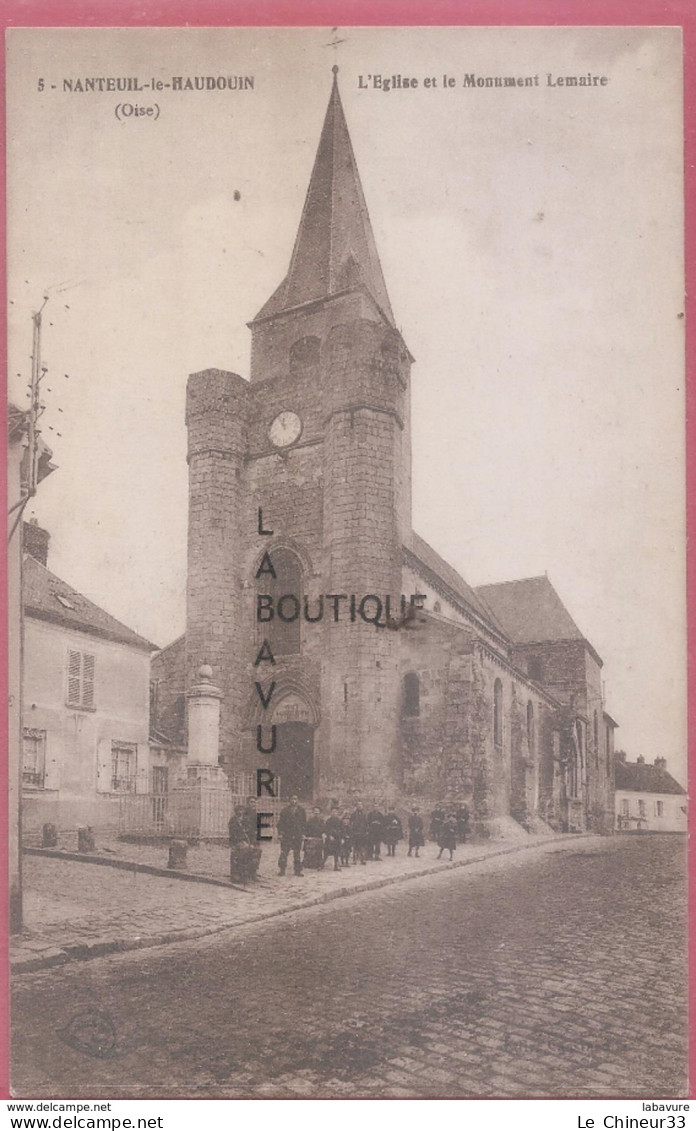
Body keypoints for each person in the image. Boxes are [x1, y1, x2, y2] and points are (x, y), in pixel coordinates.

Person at [228, 804, 262, 883]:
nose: (240, 812)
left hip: (247, 842)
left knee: (257, 850)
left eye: (242, 810)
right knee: (245, 850)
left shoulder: (246, 820)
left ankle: (252, 872)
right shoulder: (233, 821)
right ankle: (240, 874)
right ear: (236, 811)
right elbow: (233, 834)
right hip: (237, 842)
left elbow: (251, 833)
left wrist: (253, 842)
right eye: (239, 810)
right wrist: (242, 841)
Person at [277, 794, 307, 876]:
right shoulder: (285, 810)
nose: (294, 801)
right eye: (292, 799)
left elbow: (304, 823)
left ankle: (297, 871)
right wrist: (280, 834)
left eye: (295, 799)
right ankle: (282, 870)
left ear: (298, 800)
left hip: (297, 835)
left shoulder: (301, 811)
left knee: (297, 853)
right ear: (289, 800)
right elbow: (280, 823)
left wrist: (303, 834)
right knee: (284, 853)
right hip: (287, 835)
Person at [303, 805, 326, 870]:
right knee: (309, 849)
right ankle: (308, 863)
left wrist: (323, 834)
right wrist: (306, 835)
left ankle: (318, 863)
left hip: (318, 837)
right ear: (313, 812)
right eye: (315, 811)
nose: (316, 813)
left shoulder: (321, 821)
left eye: (317, 811)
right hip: (311, 837)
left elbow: (324, 829)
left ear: (319, 812)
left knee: (318, 850)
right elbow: (306, 829)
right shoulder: (310, 821)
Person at [324, 806, 343, 871]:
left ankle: (336, 865)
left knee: (337, 852)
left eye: (335, 812)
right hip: (330, 838)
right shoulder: (328, 821)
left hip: (337, 838)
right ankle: (322, 864)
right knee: (326, 852)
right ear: (331, 813)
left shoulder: (339, 821)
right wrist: (329, 836)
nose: (334, 813)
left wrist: (341, 838)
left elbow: (342, 830)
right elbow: (326, 829)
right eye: (333, 812)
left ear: (337, 813)